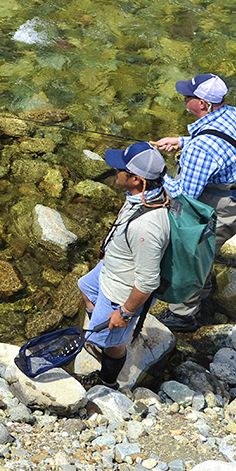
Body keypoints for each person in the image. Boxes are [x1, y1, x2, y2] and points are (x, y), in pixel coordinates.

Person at [152, 73, 236, 332]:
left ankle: (183, 315)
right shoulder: (235, 113)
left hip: (223, 208)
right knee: (205, 249)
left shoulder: (201, 149)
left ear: (203, 104)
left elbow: (183, 196)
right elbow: (223, 142)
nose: (184, 99)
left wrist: (156, 172)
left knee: (189, 252)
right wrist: (182, 142)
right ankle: (204, 287)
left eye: (188, 96)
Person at [78, 142, 171, 388]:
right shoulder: (148, 193)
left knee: (114, 344)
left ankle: (107, 380)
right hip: (111, 269)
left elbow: (148, 281)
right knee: (85, 286)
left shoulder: (146, 227)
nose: (115, 171)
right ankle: (101, 332)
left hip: (119, 292)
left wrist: (125, 312)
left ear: (136, 180)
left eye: (120, 169)